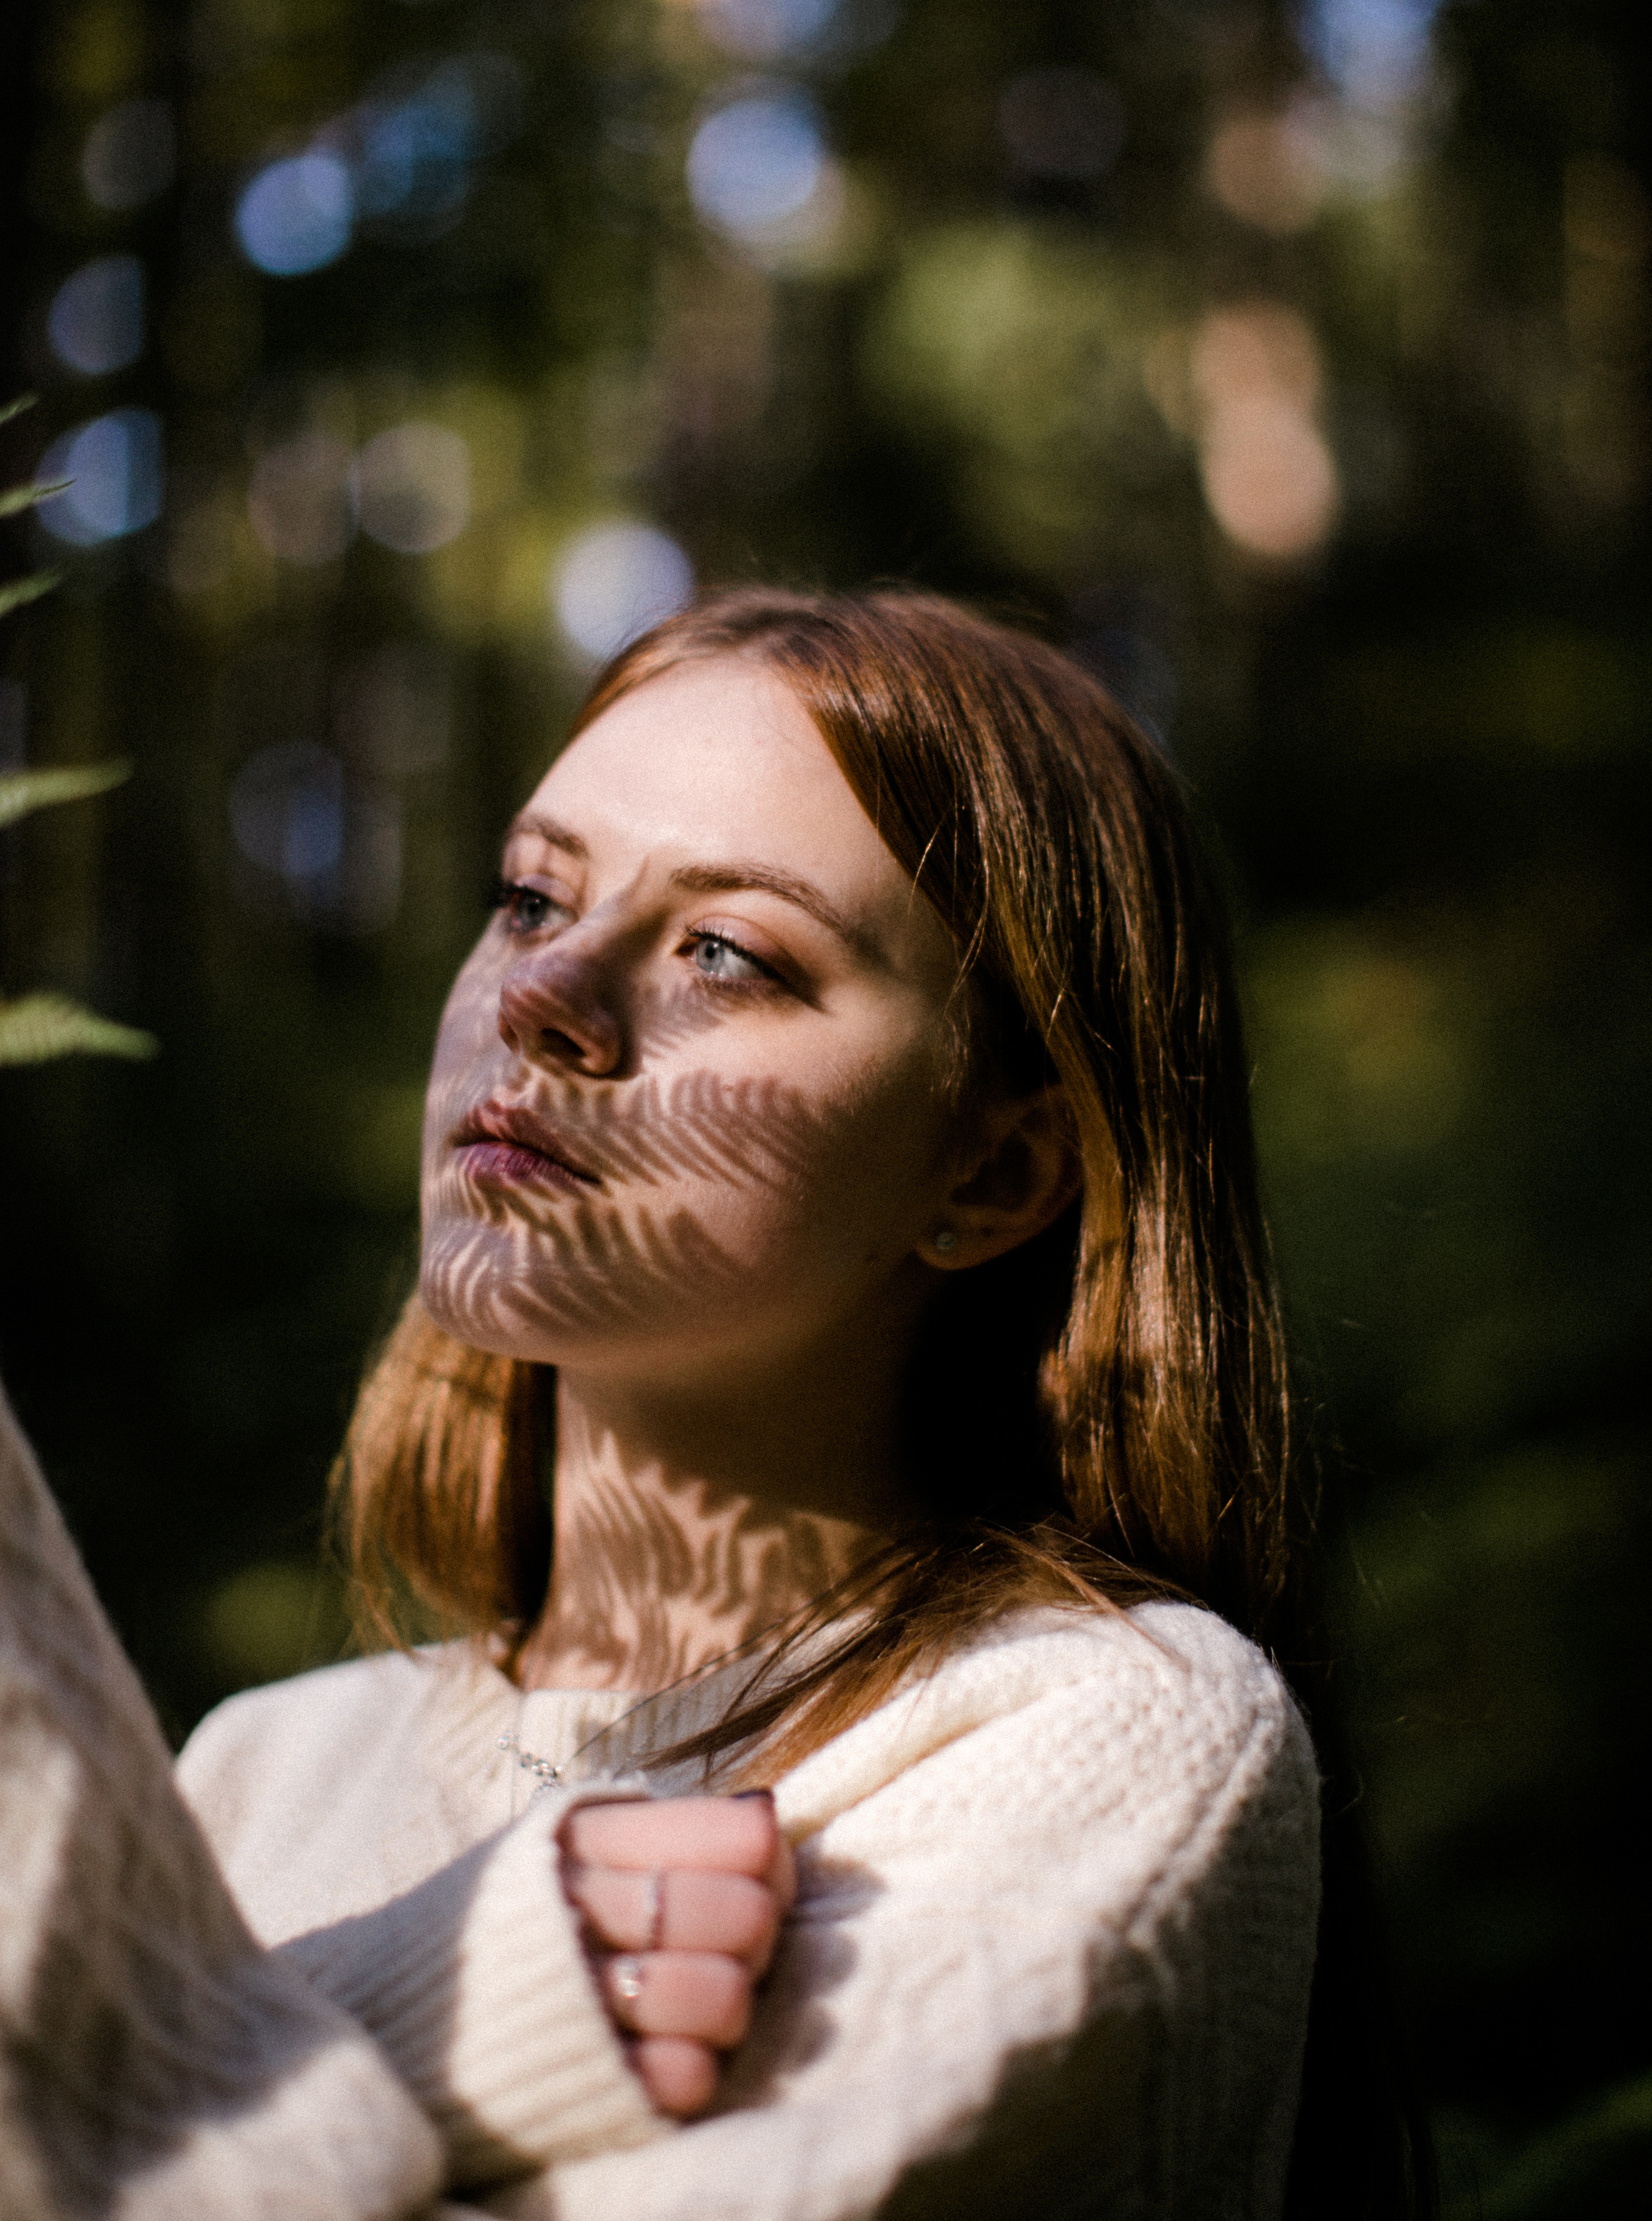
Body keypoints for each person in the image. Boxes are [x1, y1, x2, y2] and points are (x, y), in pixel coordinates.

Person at [0, 588, 1413, 2218]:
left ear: (993, 1167)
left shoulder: (1095, 1729)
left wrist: (180, 2053)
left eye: (727, 952)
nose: (546, 995)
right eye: (530, 898)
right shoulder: (262, 1771)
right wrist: (414, 1997)